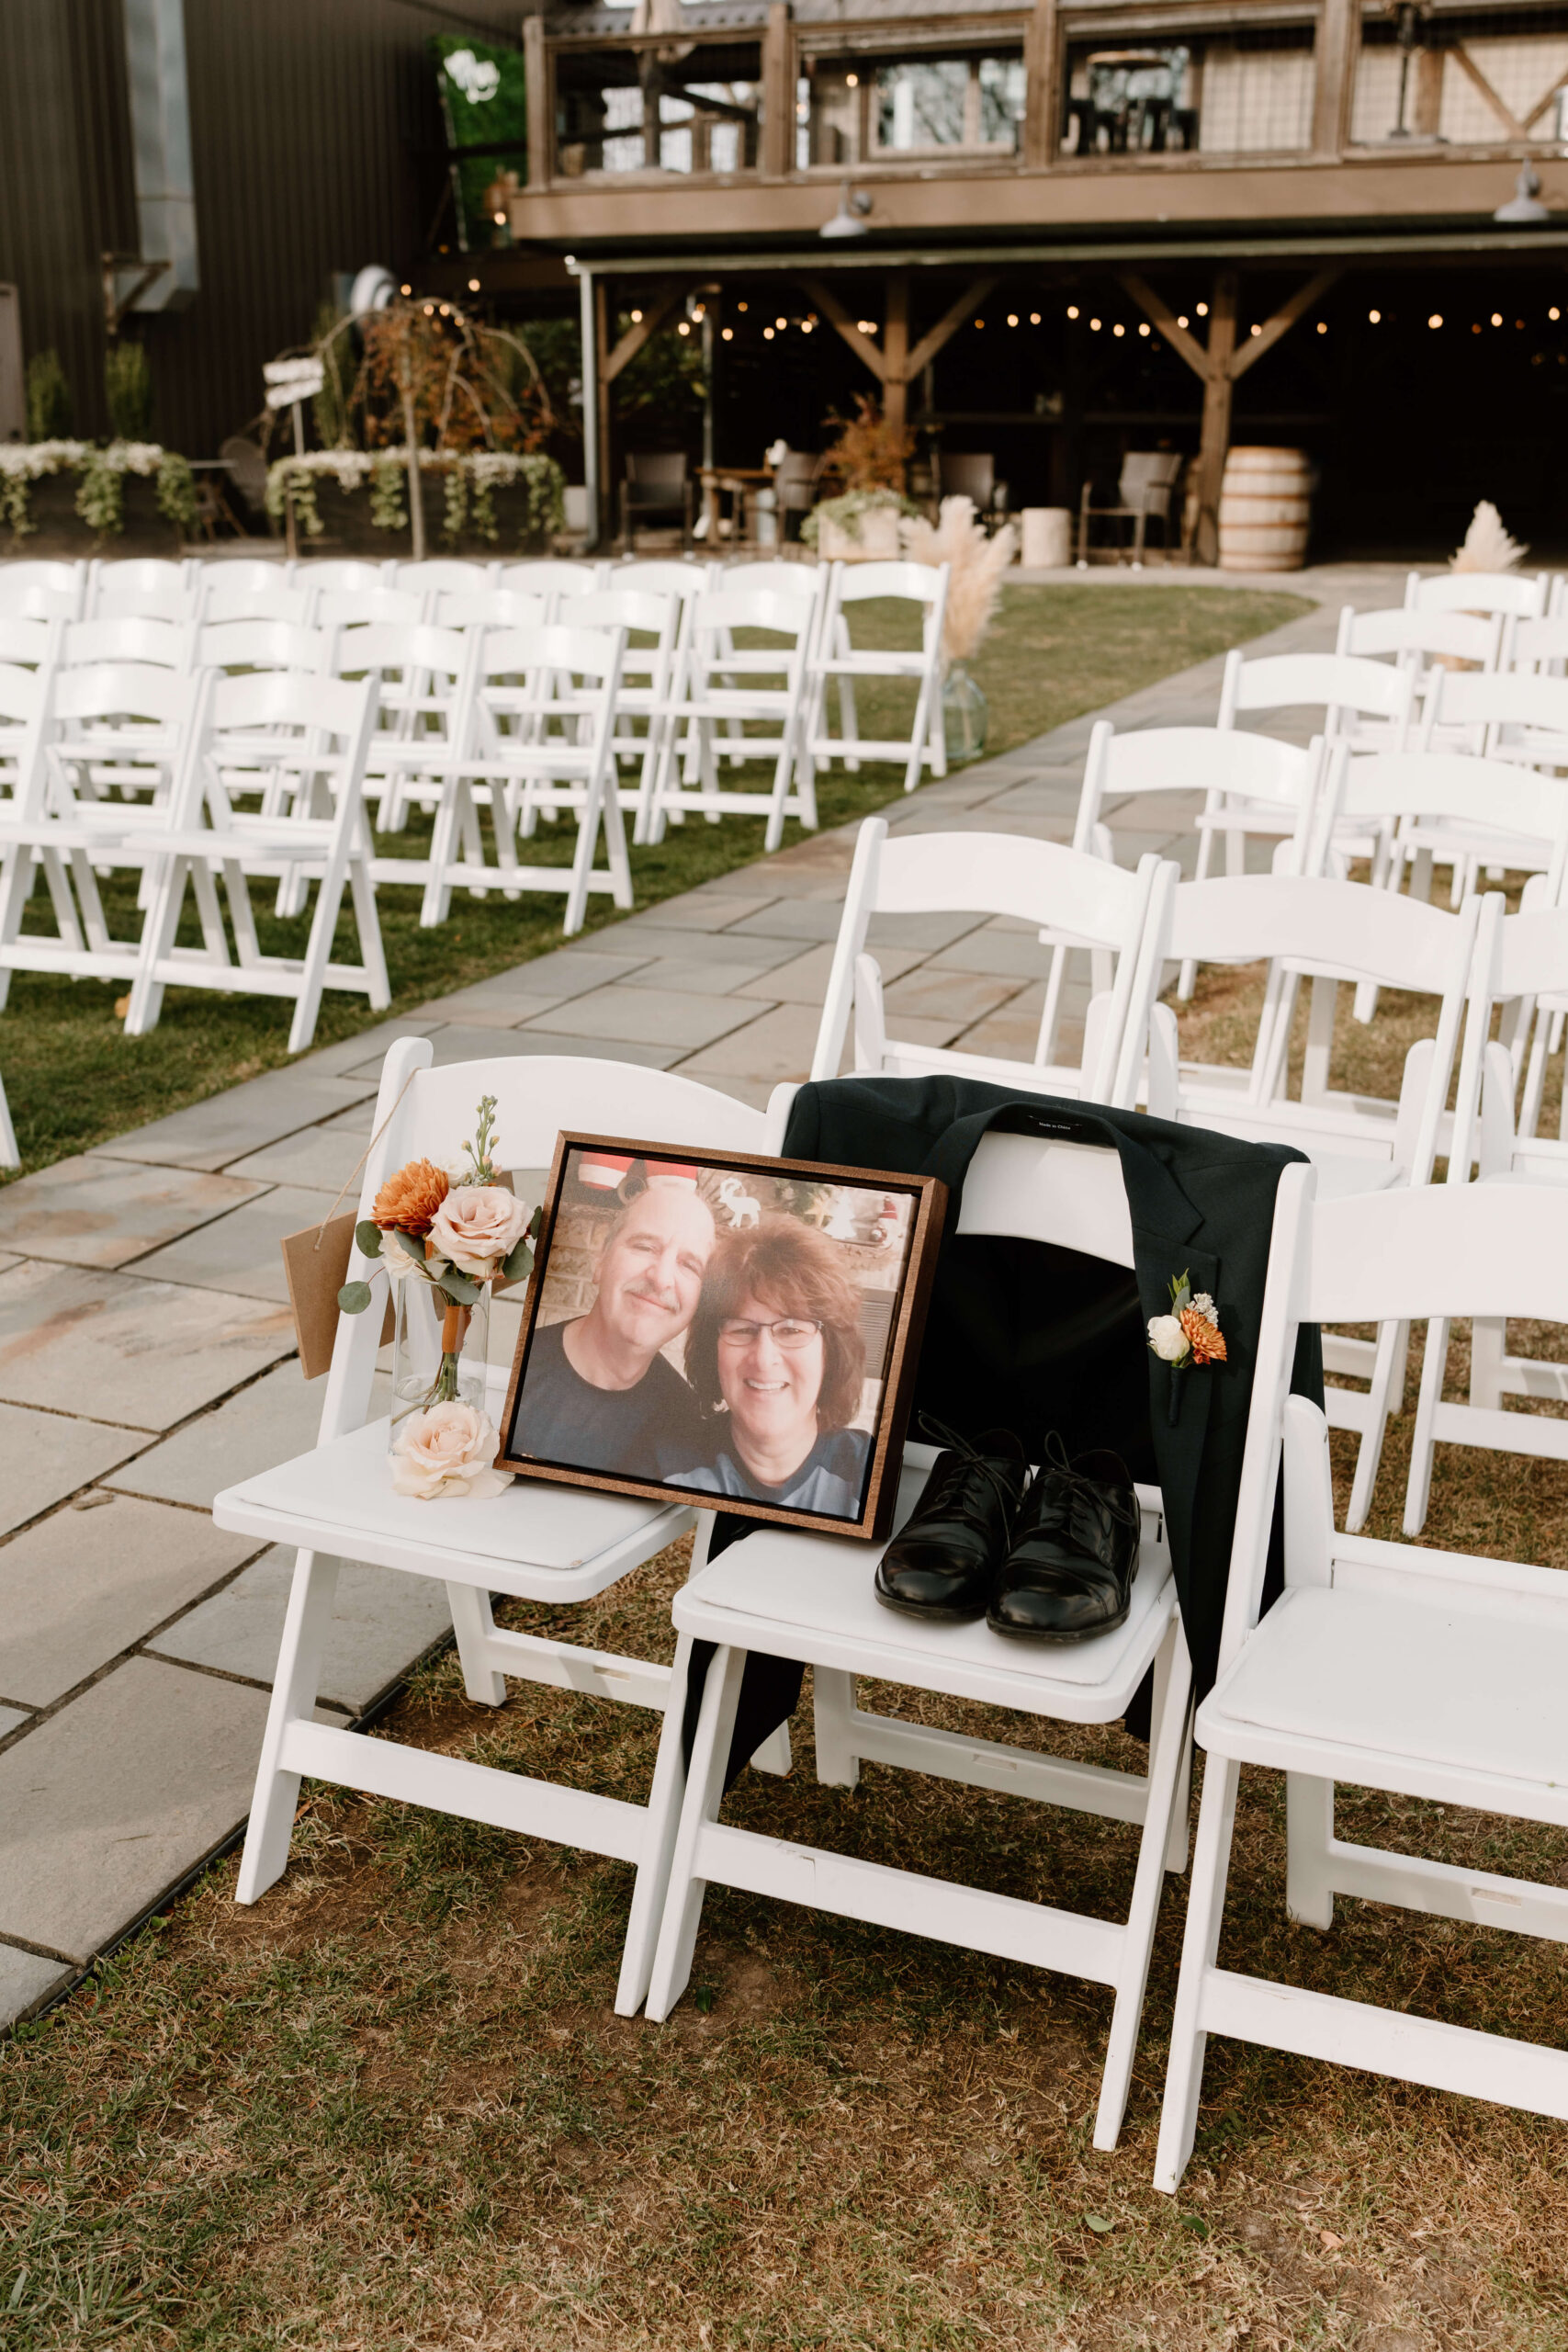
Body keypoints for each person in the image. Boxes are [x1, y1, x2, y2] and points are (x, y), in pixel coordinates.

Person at [666, 1216, 871, 1517]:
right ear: (713, 1351)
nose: (763, 1358)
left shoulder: (870, 1470)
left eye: (791, 1330)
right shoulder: (664, 1466)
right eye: (742, 1329)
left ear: (832, 1352)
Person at [514, 1179, 714, 1477]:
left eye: (689, 1265)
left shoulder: (688, 1427)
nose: (661, 1278)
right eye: (645, 1246)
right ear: (601, 1260)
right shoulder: (515, 1370)